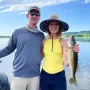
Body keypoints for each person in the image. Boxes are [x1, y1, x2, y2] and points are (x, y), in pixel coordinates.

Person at [0, 6, 44, 90]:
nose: (34, 16)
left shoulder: (41, 35)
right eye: (32, 13)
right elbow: (8, 49)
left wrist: (72, 49)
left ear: (39, 17)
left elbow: (48, 51)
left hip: (35, 76)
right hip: (19, 75)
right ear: (27, 16)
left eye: (37, 14)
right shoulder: (18, 32)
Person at [40, 14, 79, 90]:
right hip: (44, 75)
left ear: (59, 27)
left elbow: (66, 61)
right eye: (51, 24)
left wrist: (75, 52)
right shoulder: (43, 41)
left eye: (56, 24)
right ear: (48, 26)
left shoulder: (63, 42)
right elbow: (40, 57)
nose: (53, 26)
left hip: (59, 76)